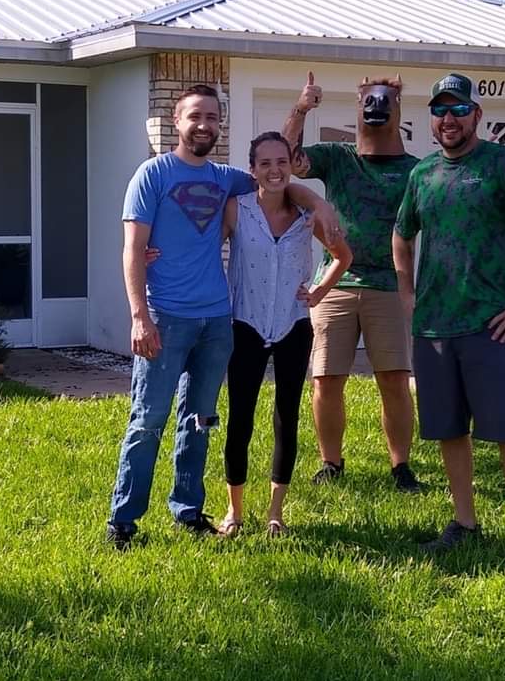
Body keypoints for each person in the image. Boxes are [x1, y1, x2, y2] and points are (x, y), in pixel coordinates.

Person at [107, 85, 338, 550]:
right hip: (165, 316)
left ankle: (187, 508)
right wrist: (138, 316)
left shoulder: (226, 179)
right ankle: (124, 519)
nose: (204, 125)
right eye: (196, 116)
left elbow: (278, 179)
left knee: (200, 419)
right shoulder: (151, 175)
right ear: (177, 121)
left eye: (212, 117)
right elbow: (133, 249)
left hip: (217, 320)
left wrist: (318, 203)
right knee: (149, 419)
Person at [392, 72, 505, 572]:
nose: (449, 119)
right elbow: (402, 235)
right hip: (434, 328)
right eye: (440, 111)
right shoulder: (422, 174)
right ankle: (464, 522)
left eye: (459, 110)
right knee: (449, 431)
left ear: (477, 116)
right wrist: (407, 293)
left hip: (490, 326)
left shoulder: (504, 165)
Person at [283, 71, 423, 493]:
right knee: (326, 379)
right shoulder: (338, 158)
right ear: (357, 107)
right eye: (368, 101)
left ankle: (401, 467)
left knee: (394, 380)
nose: (375, 109)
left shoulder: (416, 170)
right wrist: (301, 108)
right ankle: (331, 463)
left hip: (388, 287)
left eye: (385, 102)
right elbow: (287, 159)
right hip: (335, 284)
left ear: (399, 109)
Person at [217, 132, 352, 538]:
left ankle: (276, 511)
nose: (274, 170)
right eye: (265, 163)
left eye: (282, 162)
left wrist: (319, 291)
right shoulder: (236, 210)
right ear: (253, 169)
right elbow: (205, 250)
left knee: (286, 417)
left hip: (294, 326)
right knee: (240, 418)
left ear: (291, 166)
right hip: (245, 325)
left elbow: (343, 256)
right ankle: (234, 510)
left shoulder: (309, 218)